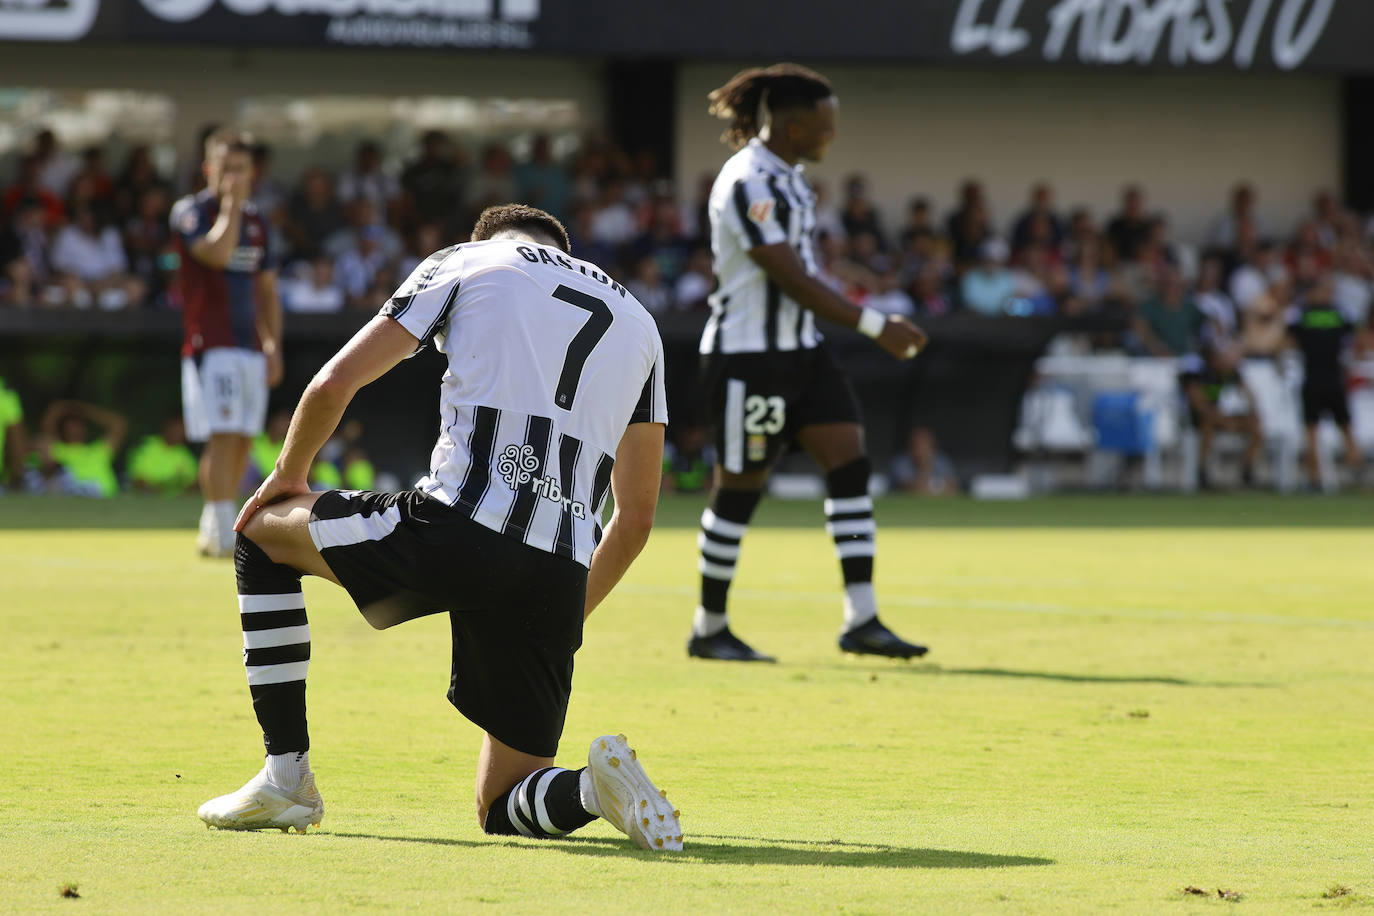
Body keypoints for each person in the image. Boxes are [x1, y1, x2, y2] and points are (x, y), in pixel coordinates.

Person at [196, 204, 682, 852]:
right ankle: (591, 790)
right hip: (559, 566)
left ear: (489, 235)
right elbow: (637, 516)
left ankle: (286, 776)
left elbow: (336, 379)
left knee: (258, 534)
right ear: (563, 248)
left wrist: (288, 473)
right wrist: (565, 620)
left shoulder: (469, 261)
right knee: (502, 802)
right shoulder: (639, 320)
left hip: (459, 526)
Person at [690, 63, 928, 663]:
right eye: (826, 127)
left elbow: (805, 272)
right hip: (750, 358)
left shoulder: (791, 179)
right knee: (740, 489)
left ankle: (863, 618)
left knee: (850, 465)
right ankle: (709, 627)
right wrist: (875, 324)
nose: (833, 136)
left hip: (804, 353)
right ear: (794, 128)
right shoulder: (748, 179)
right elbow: (788, 276)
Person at [170, 128, 284, 557]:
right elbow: (216, 254)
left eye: (241, 168)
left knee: (242, 436)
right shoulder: (192, 212)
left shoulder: (260, 223)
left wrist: (273, 344)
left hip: (250, 346)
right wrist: (231, 207)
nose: (233, 176)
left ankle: (215, 523)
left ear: (252, 171)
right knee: (221, 434)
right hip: (210, 342)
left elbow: (269, 290)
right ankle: (221, 530)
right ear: (208, 169)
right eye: (225, 167)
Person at [1286, 276, 1363, 486]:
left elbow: (1289, 339)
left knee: (1315, 429)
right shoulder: (1339, 314)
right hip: (1331, 377)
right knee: (1341, 427)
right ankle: (1353, 472)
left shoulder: (1301, 314)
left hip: (1314, 377)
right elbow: (1355, 338)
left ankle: (1317, 478)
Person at [1179, 341, 1261, 490]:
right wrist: (1224, 421)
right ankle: (1202, 471)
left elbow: (1249, 395)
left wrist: (1250, 407)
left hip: (1220, 416)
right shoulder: (1196, 373)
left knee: (1254, 423)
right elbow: (1199, 405)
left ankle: (1247, 469)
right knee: (1208, 423)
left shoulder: (1227, 372)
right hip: (1196, 418)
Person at [38, 399, 127, 498]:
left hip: (106, 500)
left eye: (78, 424)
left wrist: (84, 410)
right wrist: (65, 407)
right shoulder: (57, 450)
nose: (74, 428)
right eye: (70, 423)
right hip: (74, 499)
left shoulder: (98, 450)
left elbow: (118, 424)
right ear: (62, 427)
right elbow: (49, 419)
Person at [128, 418, 199, 495]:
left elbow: (194, 483)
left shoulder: (185, 453)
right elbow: (137, 480)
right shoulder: (146, 445)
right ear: (167, 426)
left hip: (177, 503)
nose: (178, 432)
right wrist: (165, 488)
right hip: (147, 500)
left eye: (182, 429)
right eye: (176, 427)